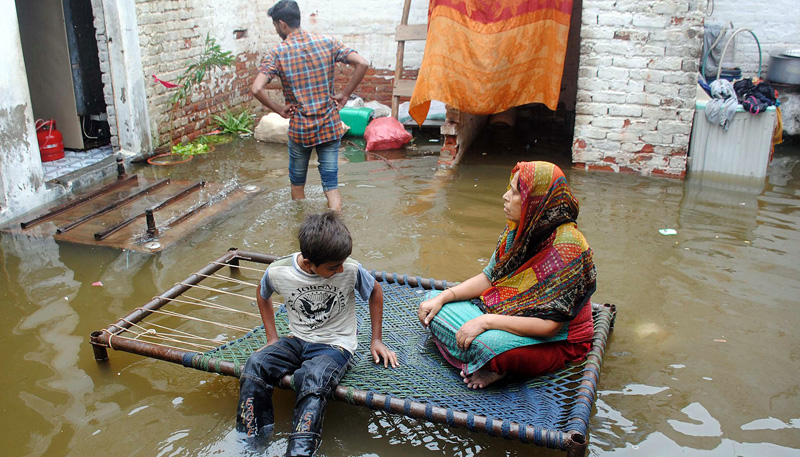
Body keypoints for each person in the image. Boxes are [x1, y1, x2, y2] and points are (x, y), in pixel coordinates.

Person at [418, 161, 596, 389]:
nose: (505, 196)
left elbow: (551, 326)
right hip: (508, 311)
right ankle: (476, 356)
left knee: (487, 347)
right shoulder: (517, 229)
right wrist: (443, 297)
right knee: (430, 303)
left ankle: (493, 364)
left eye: (514, 192)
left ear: (537, 201)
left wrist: (485, 322)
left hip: (559, 338)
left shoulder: (568, 247)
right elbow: (488, 278)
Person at [237, 211, 397, 456]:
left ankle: (300, 450)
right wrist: (272, 339)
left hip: (336, 345)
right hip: (297, 339)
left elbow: (375, 292)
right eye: (333, 267)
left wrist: (376, 339)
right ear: (309, 263)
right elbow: (262, 293)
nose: (341, 268)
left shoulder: (350, 269)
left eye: (343, 262)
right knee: (256, 364)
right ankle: (251, 439)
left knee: (313, 377)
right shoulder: (279, 271)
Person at [250, 0, 369, 211]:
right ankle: (336, 233)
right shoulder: (328, 42)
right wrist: (344, 95)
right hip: (329, 126)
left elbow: (257, 88)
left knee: (297, 185)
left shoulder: (277, 53)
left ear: (282, 25)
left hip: (300, 130)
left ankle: (302, 233)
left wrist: (278, 109)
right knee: (331, 186)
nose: (277, 30)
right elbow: (362, 63)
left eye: (276, 26)